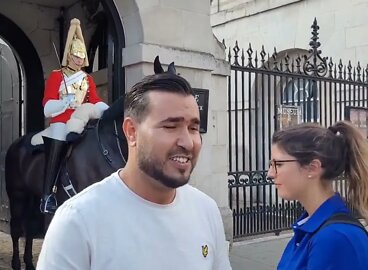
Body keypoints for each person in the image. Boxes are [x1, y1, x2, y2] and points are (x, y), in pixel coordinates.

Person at [36, 71, 232, 269]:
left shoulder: (207, 211)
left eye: (193, 128)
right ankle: (48, 192)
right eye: (170, 127)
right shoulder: (76, 221)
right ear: (131, 132)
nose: (188, 143)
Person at [31, 18, 108, 213]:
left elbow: (95, 99)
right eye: (76, 55)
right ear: (69, 55)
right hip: (60, 119)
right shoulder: (57, 76)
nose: (79, 59)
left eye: (82, 56)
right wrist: (64, 102)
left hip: (81, 119)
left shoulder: (87, 79)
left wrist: (107, 110)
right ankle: (47, 195)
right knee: (58, 138)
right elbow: (47, 105)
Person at [268, 122, 368, 269]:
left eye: (279, 164)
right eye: (271, 164)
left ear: (313, 168)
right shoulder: (308, 229)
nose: (270, 173)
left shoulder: (336, 238)